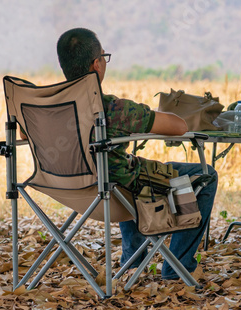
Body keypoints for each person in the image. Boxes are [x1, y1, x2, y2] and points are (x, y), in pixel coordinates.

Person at [55, 27, 218, 280]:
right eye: (104, 57)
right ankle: (178, 267)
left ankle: (134, 260)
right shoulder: (113, 108)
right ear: (97, 64)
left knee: (125, 168)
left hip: (68, 191)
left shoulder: (50, 105)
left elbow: (22, 134)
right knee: (204, 175)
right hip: (114, 195)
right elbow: (179, 127)